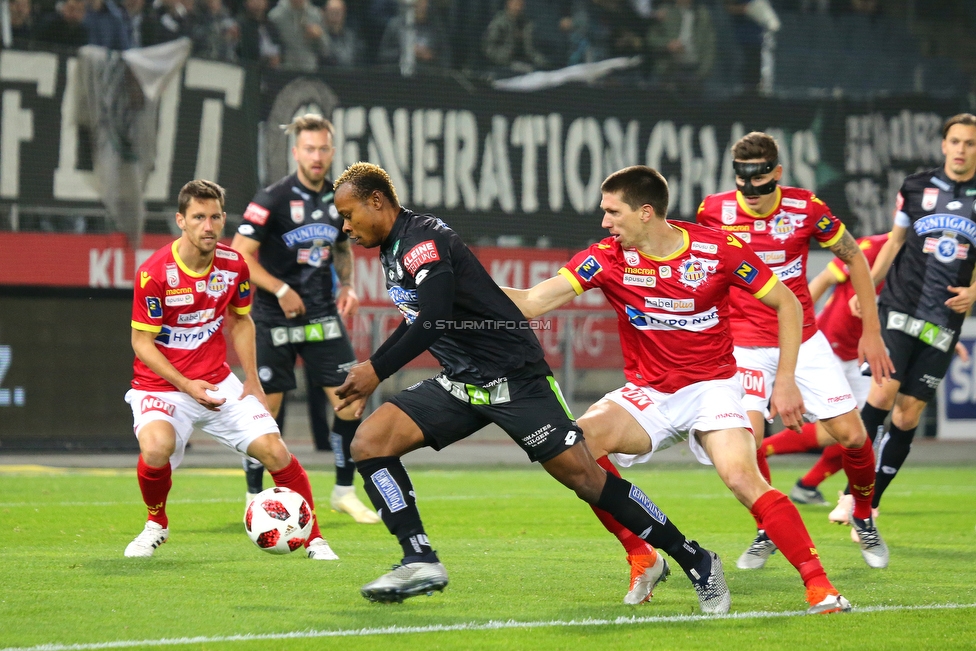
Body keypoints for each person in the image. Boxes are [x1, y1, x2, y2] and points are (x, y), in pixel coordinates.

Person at [332, 162, 729, 613]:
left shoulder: (423, 240)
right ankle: (419, 558)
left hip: (514, 377)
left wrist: (376, 369)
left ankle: (695, 558)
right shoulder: (392, 246)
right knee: (370, 443)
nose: (345, 226)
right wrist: (377, 369)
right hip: (463, 382)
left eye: (349, 214)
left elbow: (434, 316)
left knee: (587, 479)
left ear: (376, 201)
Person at [506, 165, 851, 615]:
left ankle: (820, 588)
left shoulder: (718, 248)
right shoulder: (608, 257)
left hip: (713, 389)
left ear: (646, 213)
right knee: (572, 448)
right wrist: (464, 282)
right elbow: (534, 301)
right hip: (650, 393)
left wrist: (783, 380)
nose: (605, 222)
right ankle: (642, 554)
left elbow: (786, 301)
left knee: (743, 479)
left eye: (613, 212)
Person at [696, 131, 893, 571]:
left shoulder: (807, 208)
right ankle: (768, 528)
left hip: (803, 338)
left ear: (777, 173)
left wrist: (872, 330)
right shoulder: (713, 210)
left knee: (853, 436)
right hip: (743, 346)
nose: (755, 195)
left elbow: (855, 259)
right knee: (745, 447)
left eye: (763, 183)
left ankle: (863, 514)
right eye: (745, 183)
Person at [124, 179, 338, 561]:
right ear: (181, 221)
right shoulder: (154, 273)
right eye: (199, 217)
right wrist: (187, 385)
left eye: (215, 217)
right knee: (157, 448)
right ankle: (156, 524)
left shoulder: (233, 264)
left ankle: (315, 538)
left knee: (275, 452)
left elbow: (241, 322)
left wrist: (252, 380)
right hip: (162, 385)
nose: (208, 226)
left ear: (224, 219)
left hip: (219, 382)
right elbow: (142, 343)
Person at [230, 114, 379, 525]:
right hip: (273, 316)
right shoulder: (272, 197)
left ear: (332, 152)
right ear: (296, 152)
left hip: (320, 317)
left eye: (323, 149)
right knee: (266, 410)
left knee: (351, 400)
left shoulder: (339, 198)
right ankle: (253, 496)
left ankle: (344, 491)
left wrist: (347, 286)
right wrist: (279, 288)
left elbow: (343, 248)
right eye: (309, 149)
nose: (316, 157)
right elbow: (238, 253)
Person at [847, 113, 976, 518]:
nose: (961, 149)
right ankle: (853, 494)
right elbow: (893, 243)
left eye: (970, 143)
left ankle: (871, 504)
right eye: (955, 141)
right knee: (883, 392)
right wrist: (866, 289)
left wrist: (974, 291)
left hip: (944, 318)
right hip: (900, 306)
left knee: (908, 413)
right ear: (943, 144)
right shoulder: (916, 187)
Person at [760, 233, 890, 508]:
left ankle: (807, 484)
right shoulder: (872, 248)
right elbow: (824, 280)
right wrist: (799, 327)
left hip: (861, 354)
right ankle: (763, 452)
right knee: (842, 430)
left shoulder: (923, 259)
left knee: (858, 432)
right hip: (831, 343)